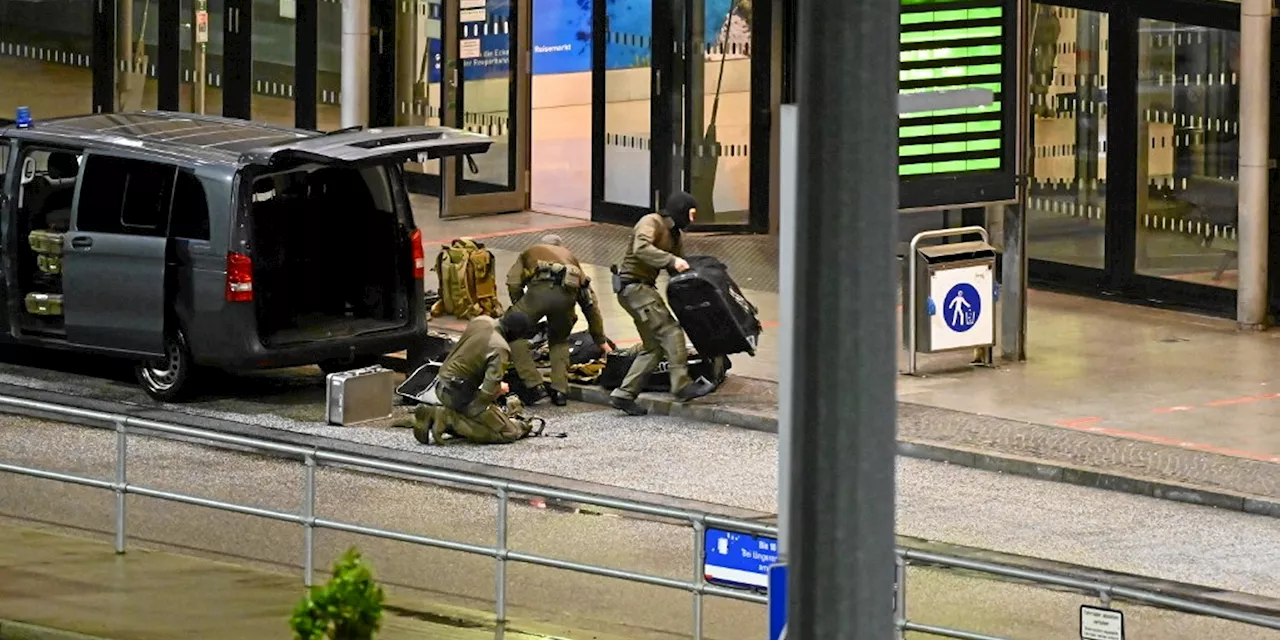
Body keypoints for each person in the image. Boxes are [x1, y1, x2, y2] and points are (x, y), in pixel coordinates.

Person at [609, 191, 716, 416]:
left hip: (640, 290)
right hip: (635, 288)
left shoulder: (674, 234)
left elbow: (678, 269)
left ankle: (624, 394)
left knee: (654, 348)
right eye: (691, 213)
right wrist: (672, 260)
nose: (693, 219)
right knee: (671, 332)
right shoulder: (651, 222)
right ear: (680, 210)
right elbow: (642, 249)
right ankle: (681, 385)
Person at [505, 234, 613, 406]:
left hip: (537, 296)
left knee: (511, 334)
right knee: (559, 340)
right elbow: (589, 303)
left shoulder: (531, 252)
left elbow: (513, 283)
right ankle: (560, 391)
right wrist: (600, 339)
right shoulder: (572, 261)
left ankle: (534, 385)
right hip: (566, 301)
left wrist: (519, 310)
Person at [410, 310, 540, 445]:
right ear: (515, 334)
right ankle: (446, 418)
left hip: (442, 382)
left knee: (486, 417)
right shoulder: (500, 348)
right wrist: (496, 394)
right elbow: (487, 393)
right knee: (508, 432)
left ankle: (444, 415)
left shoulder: (482, 320)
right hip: (458, 394)